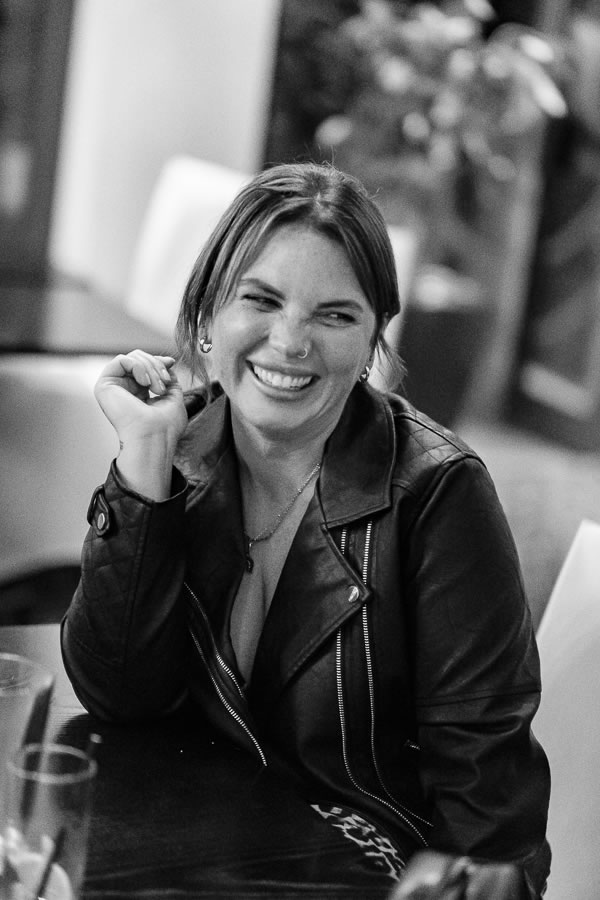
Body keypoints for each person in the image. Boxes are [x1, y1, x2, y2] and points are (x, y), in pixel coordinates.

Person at [61, 162, 550, 898]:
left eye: (335, 315)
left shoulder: (437, 494)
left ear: (373, 339)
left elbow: (489, 829)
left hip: (371, 866)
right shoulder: (182, 451)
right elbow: (119, 697)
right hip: (214, 851)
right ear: (206, 316)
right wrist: (145, 465)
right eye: (261, 300)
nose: (291, 342)